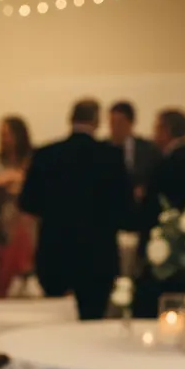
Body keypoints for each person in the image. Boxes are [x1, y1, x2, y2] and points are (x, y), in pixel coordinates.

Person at [19, 98, 133, 321]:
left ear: (71, 119)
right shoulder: (111, 156)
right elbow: (125, 211)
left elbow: (28, 204)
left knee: (54, 318)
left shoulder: (45, 154)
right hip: (97, 257)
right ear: (96, 121)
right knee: (91, 322)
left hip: (54, 252)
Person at [133, 108, 185, 318]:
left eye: (157, 128)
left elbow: (162, 203)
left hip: (166, 245)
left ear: (167, 130)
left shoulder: (175, 161)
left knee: (154, 301)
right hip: (173, 244)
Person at [0, 116, 36, 298]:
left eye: (6, 134)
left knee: (22, 277)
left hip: (23, 228)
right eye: (0, 134)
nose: (2, 139)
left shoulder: (31, 160)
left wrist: (20, 182)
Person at [108, 101, 161, 199]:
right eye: (112, 123)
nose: (115, 128)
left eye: (119, 123)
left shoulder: (148, 149)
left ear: (130, 123)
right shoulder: (102, 149)